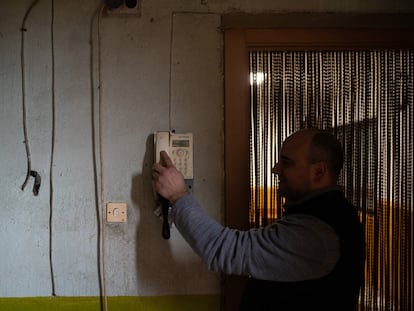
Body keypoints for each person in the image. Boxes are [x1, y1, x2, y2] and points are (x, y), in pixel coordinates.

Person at [152, 128, 365, 311]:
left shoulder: (318, 234)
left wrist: (178, 196)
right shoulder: (318, 215)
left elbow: (223, 249)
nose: (275, 169)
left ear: (318, 171)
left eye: (286, 163)